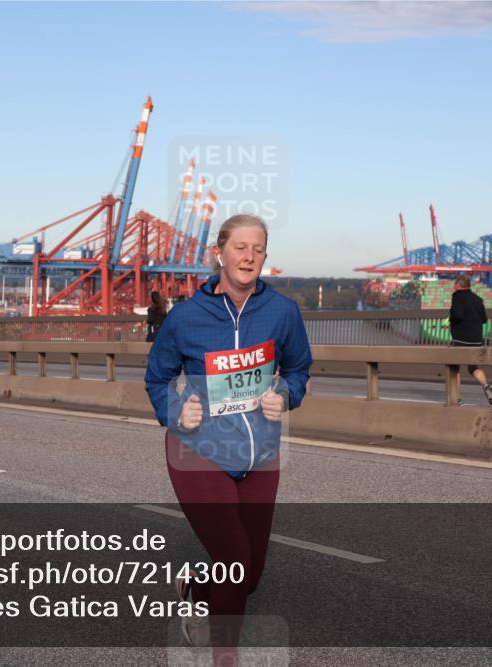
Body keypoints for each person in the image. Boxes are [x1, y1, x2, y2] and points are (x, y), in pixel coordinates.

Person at [145, 214, 312, 658]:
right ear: (218, 252)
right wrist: (179, 410)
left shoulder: (283, 312)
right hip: (198, 451)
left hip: (260, 455)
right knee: (236, 562)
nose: (250, 256)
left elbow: (298, 369)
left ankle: (195, 589)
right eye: (241, 247)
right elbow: (157, 380)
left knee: (250, 576)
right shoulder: (184, 318)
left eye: (258, 249)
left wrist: (287, 395)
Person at [448, 274, 492, 406]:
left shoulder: (457, 296)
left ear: (459, 285)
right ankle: (486, 386)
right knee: (473, 368)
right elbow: (484, 319)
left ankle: (457, 399)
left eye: (455, 285)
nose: (454, 287)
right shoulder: (478, 299)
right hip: (476, 339)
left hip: (460, 339)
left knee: (454, 368)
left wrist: (451, 319)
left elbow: (457, 315)